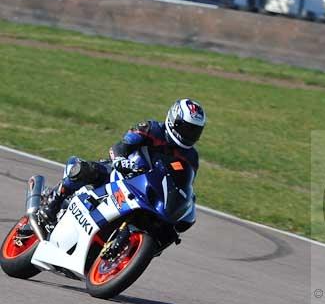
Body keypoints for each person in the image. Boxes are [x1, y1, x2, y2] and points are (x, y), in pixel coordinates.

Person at [41, 98, 206, 230]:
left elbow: (183, 182)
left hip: (149, 191)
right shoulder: (151, 128)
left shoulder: (191, 157)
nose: (189, 134)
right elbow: (122, 145)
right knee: (84, 169)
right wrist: (120, 160)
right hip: (122, 173)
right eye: (186, 128)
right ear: (173, 120)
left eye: (194, 131)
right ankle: (54, 201)